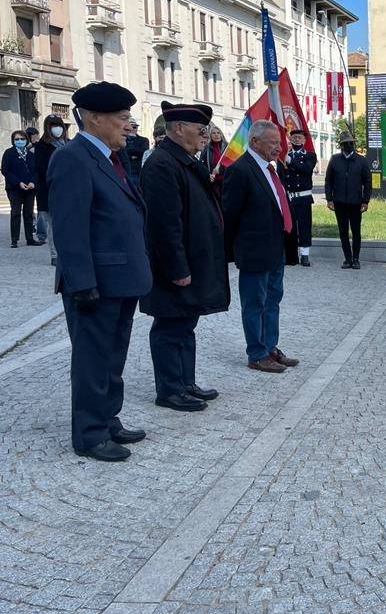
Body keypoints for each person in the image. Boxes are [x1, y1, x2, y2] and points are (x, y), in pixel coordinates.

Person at [48, 81, 152, 461]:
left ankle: (108, 419)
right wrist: (81, 283)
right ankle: (90, 434)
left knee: (113, 356)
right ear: (94, 118)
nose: (129, 125)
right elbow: (70, 228)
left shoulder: (109, 157)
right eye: (123, 118)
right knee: (93, 359)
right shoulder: (73, 158)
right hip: (96, 283)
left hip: (120, 280)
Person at [140, 101, 229, 413]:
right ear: (178, 129)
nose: (204, 135)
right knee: (170, 326)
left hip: (192, 261)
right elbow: (165, 224)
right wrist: (177, 268)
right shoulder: (163, 164)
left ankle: (185, 382)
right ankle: (170, 389)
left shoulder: (185, 161)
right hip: (175, 267)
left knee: (185, 323)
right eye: (200, 129)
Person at [222, 119, 299, 373]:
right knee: (255, 303)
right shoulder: (240, 170)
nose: (279, 147)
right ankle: (256, 353)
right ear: (254, 142)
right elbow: (230, 215)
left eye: (279, 142)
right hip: (254, 250)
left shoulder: (272, 168)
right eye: (273, 142)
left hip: (276, 247)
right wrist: (233, 251)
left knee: (273, 299)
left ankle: (269, 347)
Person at [324, 130, 371, 269]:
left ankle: (356, 259)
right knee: (343, 231)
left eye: (351, 143)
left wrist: (365, 200)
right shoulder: (334, 160)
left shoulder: (361, 160)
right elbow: (328, 181)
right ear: (341, 145)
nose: (348, 145)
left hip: (356, 202)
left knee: (356, 231)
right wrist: (329, 199)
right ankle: (347, 258)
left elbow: (367, 182)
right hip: (339, 202)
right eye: (345, 143)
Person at [278, 128, 318, 267]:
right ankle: (291, 255)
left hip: (303, 197)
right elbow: (281, 176)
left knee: (304, 226)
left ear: (304, 140)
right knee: (289, 226)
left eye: (299, 137)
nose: (296, 139)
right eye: (294, 137)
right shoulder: (283, 156)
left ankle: (305, 254)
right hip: (288, 197)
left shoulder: (310, 155)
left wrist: (290, 161)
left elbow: (306, 169)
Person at [33, 114, 68, 260]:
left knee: (67, 224)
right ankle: (55, 254)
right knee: (53, 225)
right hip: (49, 191)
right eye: (53, 125)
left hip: (68, 191)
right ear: (47, 127)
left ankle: (68, 252)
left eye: (59, 125)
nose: (57, 128)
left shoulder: (69, 144)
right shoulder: (42, 146)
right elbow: (42, 169)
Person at [3, 131, 40, 248]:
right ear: (13, 141)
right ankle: (15, 240)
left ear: (26, 140)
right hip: (14, 188)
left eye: (22, 139)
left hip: (29, 188)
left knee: (28, 213)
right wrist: (18, 182)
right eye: (17, 139)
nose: (20, 141)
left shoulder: (30, 155)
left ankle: (30, 239)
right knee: (15, 213)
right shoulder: (9, 153)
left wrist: (33, 182)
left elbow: (36, 170)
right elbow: (5, 170)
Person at [119, 116, 149, 187]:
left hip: (137, 173)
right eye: (132, 126)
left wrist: (128, 153)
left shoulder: (143, 140)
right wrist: (132, 155)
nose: (132, 129)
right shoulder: (121, 139)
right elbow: (121, 152)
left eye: (135, 127)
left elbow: (143, 151)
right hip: (123, 172)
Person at [199, 124, 227, 202]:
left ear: (221, 134)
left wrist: (220, 170)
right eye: (214, 133)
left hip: (226, 182)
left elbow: (232, 164)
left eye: (218, 133)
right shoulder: (206, 149)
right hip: (213, 183)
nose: (216, 135)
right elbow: (201, 164)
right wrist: (207, 175)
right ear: (210, 135)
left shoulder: (227, 147)